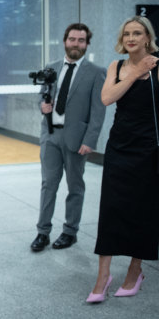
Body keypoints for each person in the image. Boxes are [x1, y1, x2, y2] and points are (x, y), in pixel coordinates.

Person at [86, 16, 159, 303]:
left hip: (148, 149)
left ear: (147, 38)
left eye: (137, 33)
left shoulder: (157, 66)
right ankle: (103, 276)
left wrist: (145, 68)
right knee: (111, 209)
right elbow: (107, 99)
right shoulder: (116, 67)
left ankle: (135, 269)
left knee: (144, 211)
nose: (131, 38)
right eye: (127, 33)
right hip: (119, 148)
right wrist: (134, 71)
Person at [30, 23, 106, 252]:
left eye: (81, 40)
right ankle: (42, 232)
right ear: (65, 41)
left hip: (76, 139)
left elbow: (98, 111)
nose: (76, 44)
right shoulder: (51, 67)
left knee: (75, 187)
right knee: (48, 185)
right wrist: (41, 106)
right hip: (51, 136)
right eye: (72, 39)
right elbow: (42, 97)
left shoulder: (95, 72)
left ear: (87, 44)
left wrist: (90, 141)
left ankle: (70, 232)